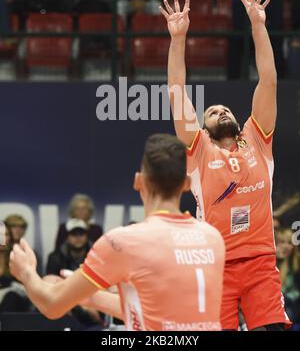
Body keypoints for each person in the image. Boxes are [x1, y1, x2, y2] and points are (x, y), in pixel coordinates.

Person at [159, 0, 291, 330]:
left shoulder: (257, 139)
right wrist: (178, 39)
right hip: (215, 264)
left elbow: (269, 80)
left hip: (261, 263)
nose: (222, 110)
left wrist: (259, 26)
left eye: (226, 109)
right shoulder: (199, 149)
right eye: (214, 111)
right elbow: (176, 90)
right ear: (204, 128)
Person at [9, 134, 225, 331]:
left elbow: (52, 305)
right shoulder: (213, 238)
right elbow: (159, 311)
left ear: (138, 181)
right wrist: (90, 297)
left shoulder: (125, 241)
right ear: (186, 184)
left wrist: (25, 271)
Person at [230, 0, 285, 79]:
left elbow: (277, 22)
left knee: (277, 41)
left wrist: (261, 28)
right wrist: (252, 28)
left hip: (268, 34)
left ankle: (279, 81)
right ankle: (233, 83)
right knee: (234, 42)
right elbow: (237, 22)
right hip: (246, 34)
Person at [276, 228, 300, 327]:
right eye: (282, 242)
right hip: (275, 305)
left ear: (293, 246)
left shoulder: (297, 263)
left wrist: (285, 261)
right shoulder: (270, 262)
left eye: (289, 243)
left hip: (293, 306)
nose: (285, 246)